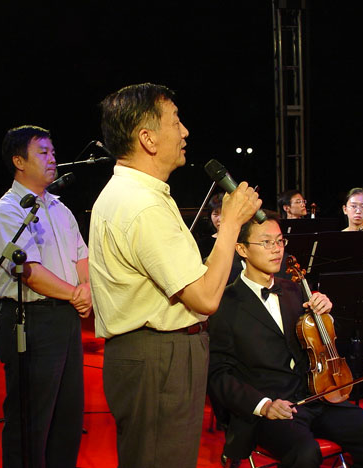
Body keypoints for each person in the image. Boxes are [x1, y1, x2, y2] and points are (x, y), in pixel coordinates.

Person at [88, 83, 260, 468]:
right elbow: (205, 297)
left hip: (155, 355)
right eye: (175, 121)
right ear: (147, 138)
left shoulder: (133, 194)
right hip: (159, 358)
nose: (185, 131)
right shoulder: (141, 204)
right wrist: (231, 224)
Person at [209, 211, 363, 468]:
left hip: (318, 397)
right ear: (242, 249)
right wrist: (263, 405)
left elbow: (323, 341)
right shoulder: (224, 303)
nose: (276, 249)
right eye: (266, 242)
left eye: (280, 241)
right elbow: (218, 374)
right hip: (272, 408)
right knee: (305, 455)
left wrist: (326, 315)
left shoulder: (294, 289)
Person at [0, 125, 92, 468]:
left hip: (65, 317)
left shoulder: (59, 207)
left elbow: (82, 256)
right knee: (31, 422)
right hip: (31, 321)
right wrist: (76, 294)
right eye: (43, 152)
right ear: (19, 161)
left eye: (53, 152)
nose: (52, 158)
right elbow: (28, 270)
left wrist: (86, 289)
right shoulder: (7, 211)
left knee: (67, 417)